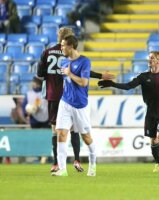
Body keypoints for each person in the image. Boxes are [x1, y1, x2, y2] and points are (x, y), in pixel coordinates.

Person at [37, 27, 113, 173]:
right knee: (68, 132)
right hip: (64, 97)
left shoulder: (48, 52)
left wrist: (62, 74)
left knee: (65, 132)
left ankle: (58, 163)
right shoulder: (65, 57)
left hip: (57, 96)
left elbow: (40, 73)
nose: (63, 47)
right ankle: (70, 164)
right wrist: (99, 75)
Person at [98, 51, 159, 172]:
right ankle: (158, 163)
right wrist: (113, 84)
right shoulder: (143, 76)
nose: (149, 60)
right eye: (149, 58)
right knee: (153, 141)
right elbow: (128, 86)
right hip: (150, 113)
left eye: (152, 58)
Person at [52, 35, 96, 177]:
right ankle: (62, 169)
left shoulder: (84, 61)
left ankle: (93, 164)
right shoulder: (64, 61)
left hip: (80, 105)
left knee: (86, 137)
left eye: (63, 45)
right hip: (65, 102)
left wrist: (70, 74)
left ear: (71, 46)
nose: (61, 48)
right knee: (61, 133)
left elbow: (84, 82)